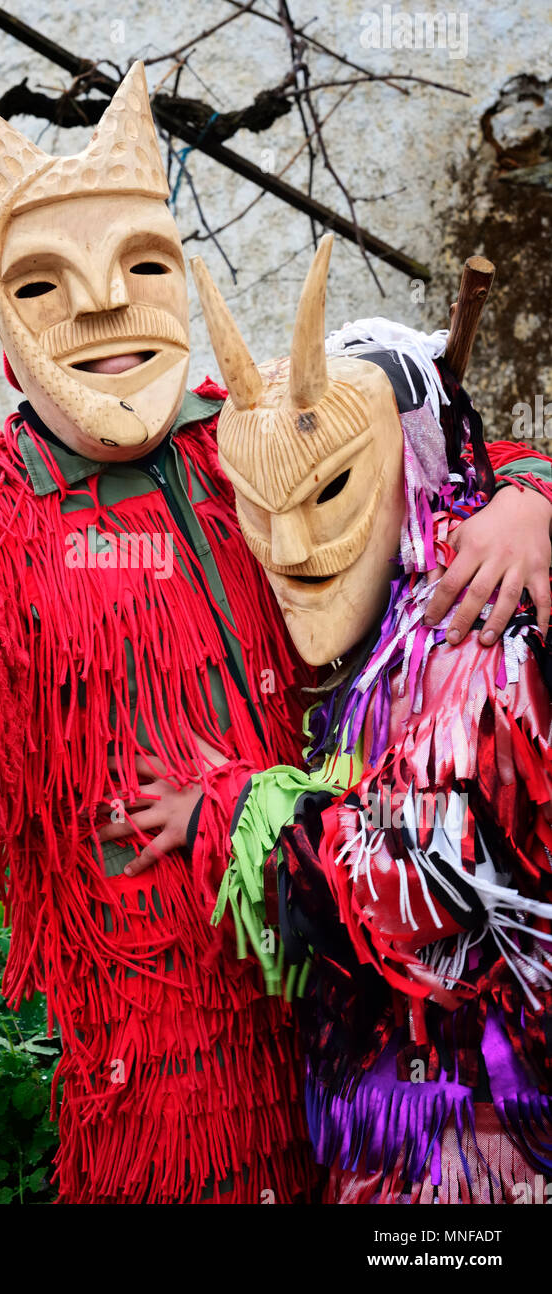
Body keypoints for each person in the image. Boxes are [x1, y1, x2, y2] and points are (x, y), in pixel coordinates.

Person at [0, 65, 552, 1204]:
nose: (108, 304)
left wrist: (530, 496)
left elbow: (431, 468)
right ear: (8, 332)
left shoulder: (249, 434)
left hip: (370, 1009)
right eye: (49, 284)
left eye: (144, 263)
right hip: (164, 1073)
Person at [189, 236, 552, 1203]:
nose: (294, 547)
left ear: (416, 463)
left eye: (330, 492)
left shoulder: (465, 619)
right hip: (388, 1132)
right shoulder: (389, 625)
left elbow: (425, 886)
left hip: (479, 1146)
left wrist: (230, 815)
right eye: (263, 511)